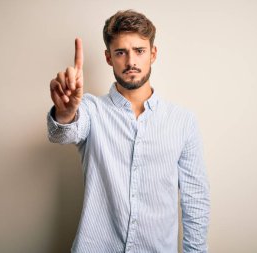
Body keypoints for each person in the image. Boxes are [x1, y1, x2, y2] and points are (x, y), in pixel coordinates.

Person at [47, 10, 210, 253]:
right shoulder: (90, 109)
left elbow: (195, 200)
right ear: (108, 57)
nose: (131, 62)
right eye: (121, 52)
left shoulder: (183, 121)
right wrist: (65, 112)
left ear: (153, 54)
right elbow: (62, 133)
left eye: (139, 51)